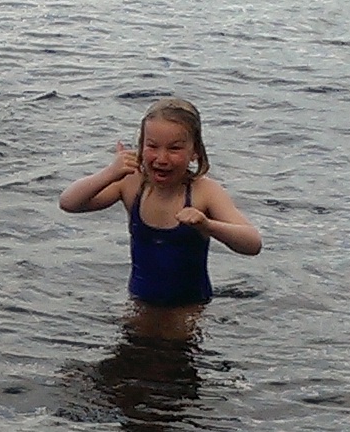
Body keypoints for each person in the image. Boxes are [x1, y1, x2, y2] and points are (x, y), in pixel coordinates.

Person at [57, 99, 261, 334]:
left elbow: (252, 243)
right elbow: (69, 203)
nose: (162, 158)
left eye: (174, 149)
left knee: (174, 350)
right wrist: (109, 173)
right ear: (140, 147)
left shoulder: (204, 192)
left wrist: (208, 225)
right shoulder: (131, 184)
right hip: (140, 305)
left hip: (189, 309)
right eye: (152, 146)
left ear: (195, 152)